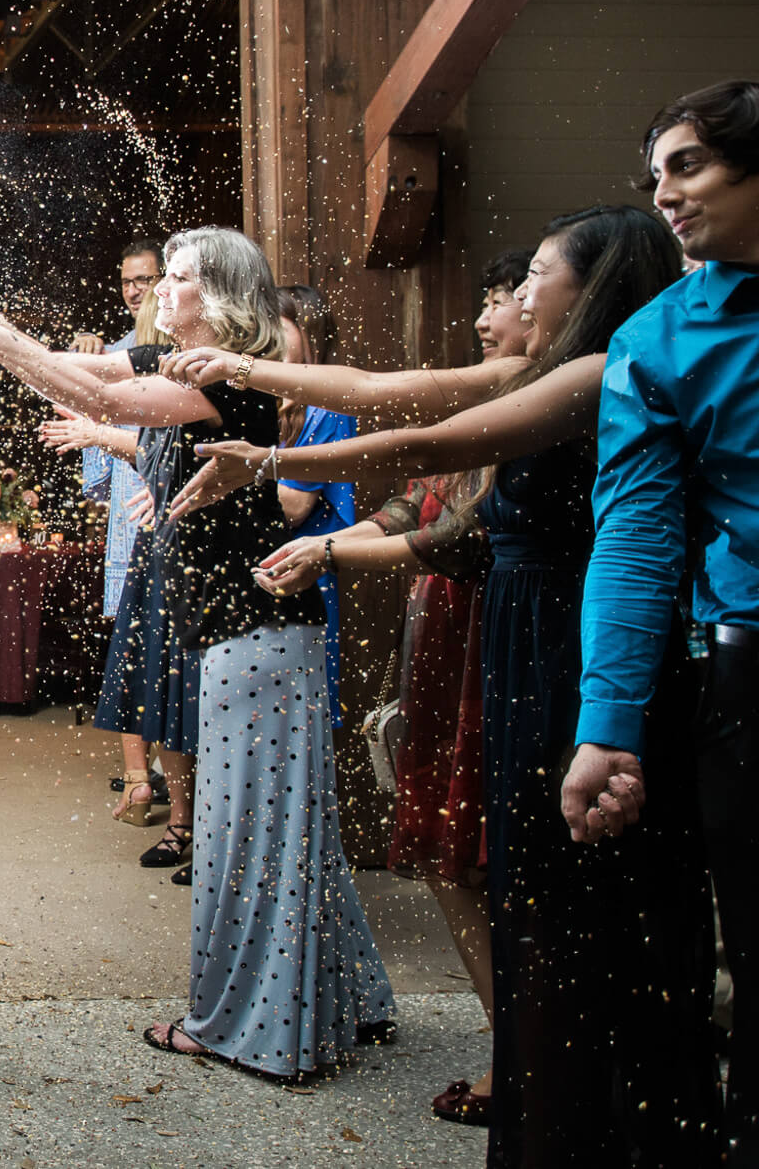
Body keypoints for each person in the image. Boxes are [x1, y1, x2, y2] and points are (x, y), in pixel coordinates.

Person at [168, 205, 716, 1165]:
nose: (513, 292)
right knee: (524, 880)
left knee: (565, 886)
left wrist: (273, 457)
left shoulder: (596, 375)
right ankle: (558, 1104)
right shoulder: (532, 370)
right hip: (519, 636)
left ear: (589, 288)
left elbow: (425, 446)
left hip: (561, 637)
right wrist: (247, 370)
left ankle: (603, 1114)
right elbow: (389, 388)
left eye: (537, 272)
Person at [0, 226, 395, 1080]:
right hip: (250, 636)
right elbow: (91, 380)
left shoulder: (227, 384)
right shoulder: (182, 370)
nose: (158, 292)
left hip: (260, 636)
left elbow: (106, 401)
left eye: (177, 279)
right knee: (286, 834)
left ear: (223, 297)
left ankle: (249, 1030)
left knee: (247, 841)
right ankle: (353, 1000)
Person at [249, 247, 533, 1125]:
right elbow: (416, 499)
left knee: (488, 852)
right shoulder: (487, 395)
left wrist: (321, 536)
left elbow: (449, 527)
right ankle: (513, 1040)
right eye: (484, 299)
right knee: (456, 854)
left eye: (509, 298)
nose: (487, 318)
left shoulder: (541, 398)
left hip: (498, 637)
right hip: (447, 636)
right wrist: (336, 537)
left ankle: (526, 1052)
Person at [566, 80, 759, 1167]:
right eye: (652, 177)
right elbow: (634, 545)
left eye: (682, 166)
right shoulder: (660, 339)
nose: (661, 196)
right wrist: (609, 726)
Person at [44, 286, 174, 830]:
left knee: (139, 653)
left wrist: (92, 431)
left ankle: (145, 781)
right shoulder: (155, 362)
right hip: (152, 527)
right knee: (154, 655)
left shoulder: (170, 372)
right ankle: (156, 780)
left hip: (147, 525)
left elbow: (145, 446)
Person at [272, 285, 356, 725]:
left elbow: (294, 506)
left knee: (301, 707)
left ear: (307, 332)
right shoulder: (273, 400)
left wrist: (234, 477)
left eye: (277, 326)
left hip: (307, 568)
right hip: (270, 564)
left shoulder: (328, 404)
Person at [67, 238, 163, 354]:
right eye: (126, 282)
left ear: (167, 280)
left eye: (143, 280)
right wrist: (86, 345)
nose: (131, 293)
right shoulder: (128, 343)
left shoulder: (187, 336)